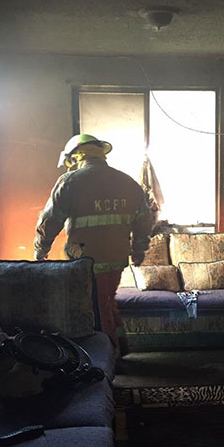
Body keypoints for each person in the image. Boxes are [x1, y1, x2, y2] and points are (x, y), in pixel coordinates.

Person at [33, 134, 154, 356]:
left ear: (76, 157)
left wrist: (41, 249)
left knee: (94, 310)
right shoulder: (127, 182)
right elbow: (145, 220)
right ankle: (121, 346)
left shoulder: (70, 182)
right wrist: (138, 250)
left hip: (84, 262)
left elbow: (50, 221)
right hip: (117, 258)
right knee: (107, 302)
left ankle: (110, 356)